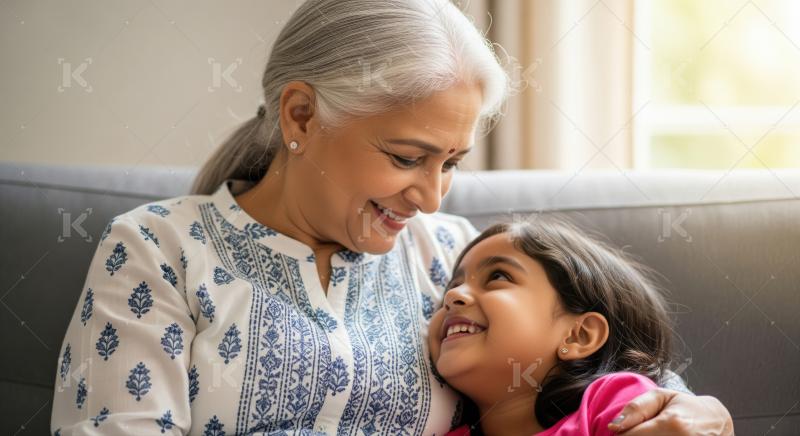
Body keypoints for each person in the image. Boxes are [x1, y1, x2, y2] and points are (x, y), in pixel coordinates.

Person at [51, 0, 733, 434]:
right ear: (301, 115)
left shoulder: (450, 256)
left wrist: (699, 410)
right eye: (408, 157)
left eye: (453, 162)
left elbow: (595, 374)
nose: (433, 198)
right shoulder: (158, 248)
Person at [430, 219, 725, 435]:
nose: (453, 296)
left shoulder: (615, 404)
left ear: (579, 335)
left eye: (499, 277)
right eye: (453, 286)